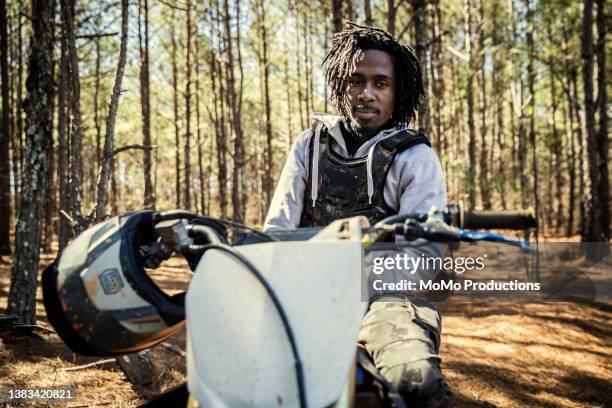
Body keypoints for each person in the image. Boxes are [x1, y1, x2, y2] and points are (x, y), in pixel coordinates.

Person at [264, 23, 452, 408]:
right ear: (340, 85)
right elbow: (276, 232)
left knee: (413, 380)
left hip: (392, 301)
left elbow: (424, 259)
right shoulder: (309, 147)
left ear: (397, 92)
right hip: (310, 292)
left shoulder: (415, 157)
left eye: (381, 83)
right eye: (356, 81)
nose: (367, 93)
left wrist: (358, 276)